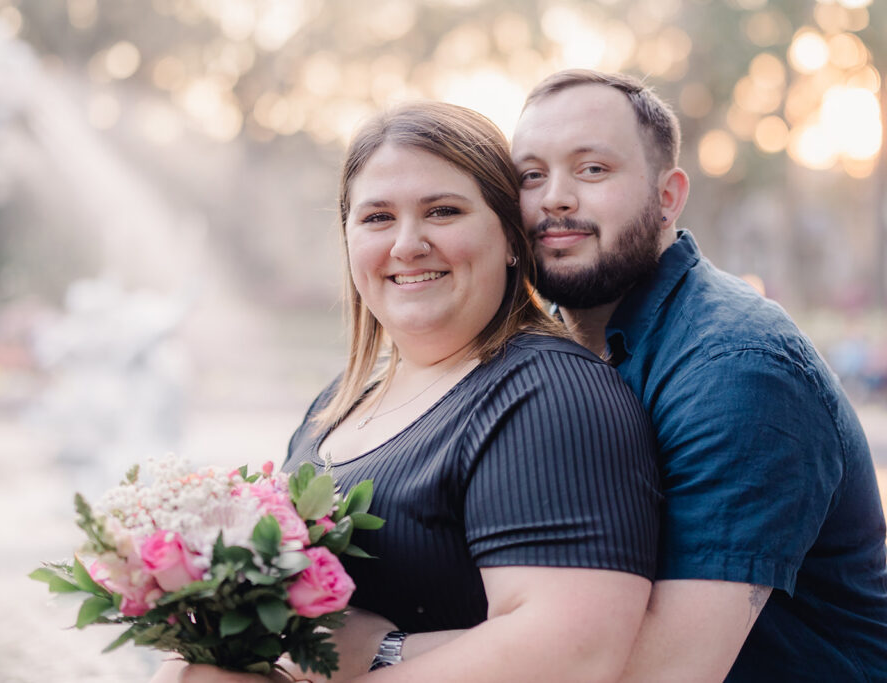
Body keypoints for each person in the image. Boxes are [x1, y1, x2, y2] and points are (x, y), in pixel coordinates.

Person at [153, 101, 661, 682]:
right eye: (377, 218)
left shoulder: (549, 395)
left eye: (442, 211)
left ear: (512, 236)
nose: (407, 244)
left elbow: (572, 653)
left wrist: (377, 654)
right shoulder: (336, 405)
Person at [509, 69, 887, 681]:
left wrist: (390, 653)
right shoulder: (539, 354)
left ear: (668, 198)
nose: (555, 197)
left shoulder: (740, 371)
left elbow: (670, 671)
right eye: (531, 175)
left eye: (592, 170)